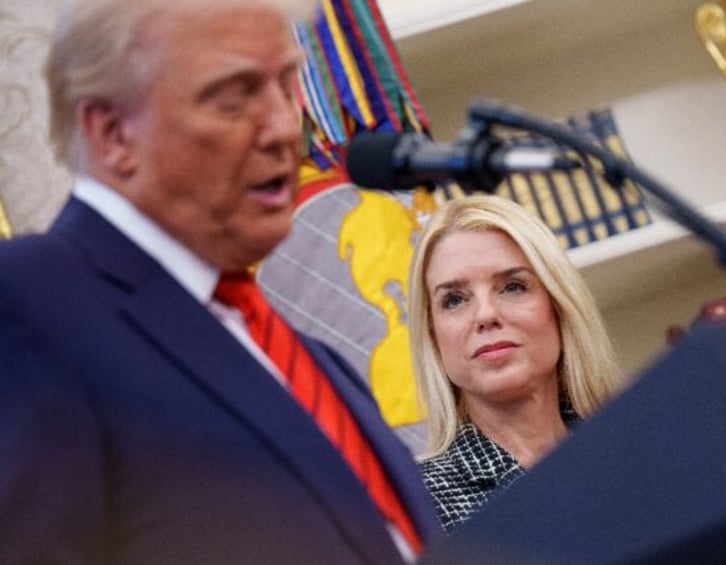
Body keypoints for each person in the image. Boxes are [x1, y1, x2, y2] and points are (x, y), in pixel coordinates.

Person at [0, 0, 441, 562]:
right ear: (112, 132)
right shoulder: (31, 306)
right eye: (235, 97)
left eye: (288, 87)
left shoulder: (311, 358)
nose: (284, 128)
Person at [408, 195, 627, 532]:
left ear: (559, 305)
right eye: (454, 300)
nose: (485, 315)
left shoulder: (639, 456)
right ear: (433, 336)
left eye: (513, 286)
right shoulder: (416, 506)